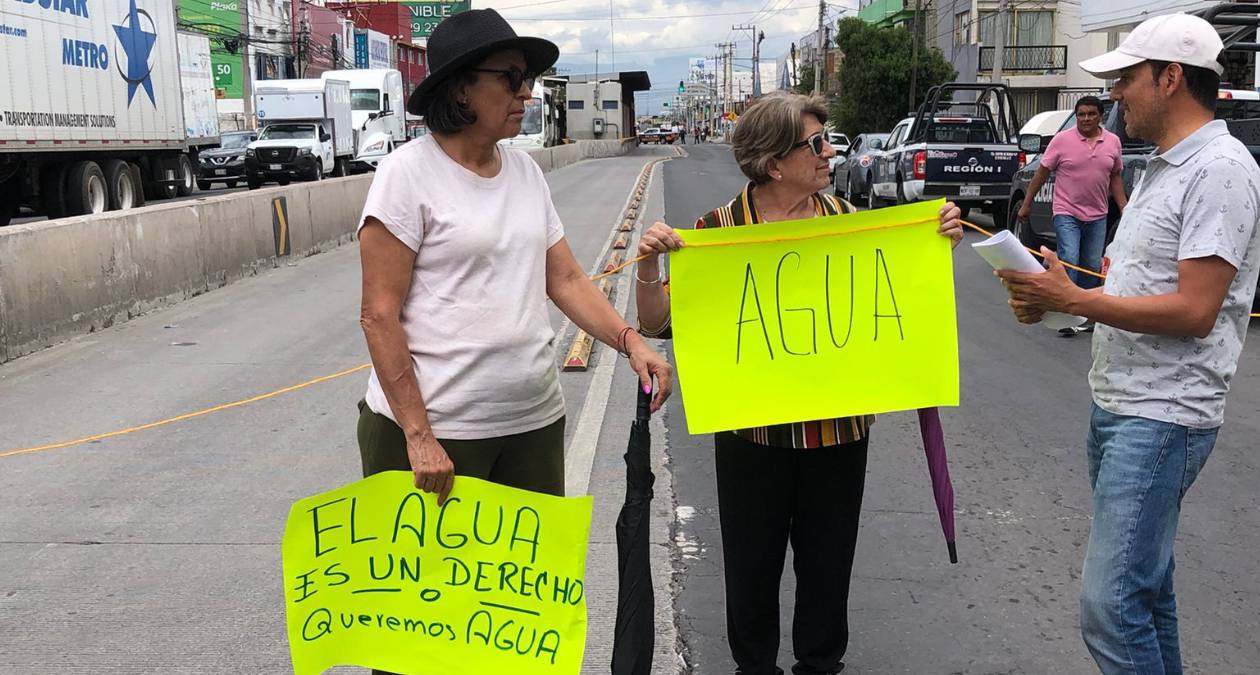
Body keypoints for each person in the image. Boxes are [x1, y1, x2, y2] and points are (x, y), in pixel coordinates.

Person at [355, 6, 674, 614]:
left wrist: (632, 342)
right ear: (460, 86)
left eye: (526, 78)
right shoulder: (406, 176)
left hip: (530, 426)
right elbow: (378, 315)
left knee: (518, 619)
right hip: (439, 438)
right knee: (427, 627)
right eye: (510, 77)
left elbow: (568, 279)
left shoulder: (524, 171)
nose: (525, 91)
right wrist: (419, 438)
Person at [634, 91, 963, 675]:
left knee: (828, 565)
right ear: (773, 162)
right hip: (750, 440)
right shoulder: (717, 232)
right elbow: (657, 322)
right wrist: (649, 264)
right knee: (750, 566)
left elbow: (897, 295)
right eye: (816, 143)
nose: (830, 152)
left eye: (826, 140)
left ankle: (819, 665)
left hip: (838, 435)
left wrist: (930, 238)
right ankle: (753, 667)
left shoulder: (850, 226)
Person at [998, 14, 1260, 675]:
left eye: (1126, 78)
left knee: (1110, 608)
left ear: (1171, 78)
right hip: (1123, 405)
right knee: (1147, 592)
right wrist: (1062, 286)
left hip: (1162, 415)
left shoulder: (1221, 171)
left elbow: (1198, 309)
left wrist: (1075, 301)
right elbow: (1141, 281)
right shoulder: (1165, 166)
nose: (1114, 93)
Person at [1017, 95, 1128, 336]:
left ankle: (1086, 314)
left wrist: (1125, 209)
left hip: (1097, 214)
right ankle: (1064, 315)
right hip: (1066, 211)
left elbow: (1116, 177)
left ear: (1101, 116)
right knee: (1069, 259)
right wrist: (1026, 204)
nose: (1086, 118)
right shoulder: (1062, 140)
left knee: (1090, 265)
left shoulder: (1113, 142)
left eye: (1091, 114)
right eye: (1081, 114)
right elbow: (1041, 173)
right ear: (1076, 116)